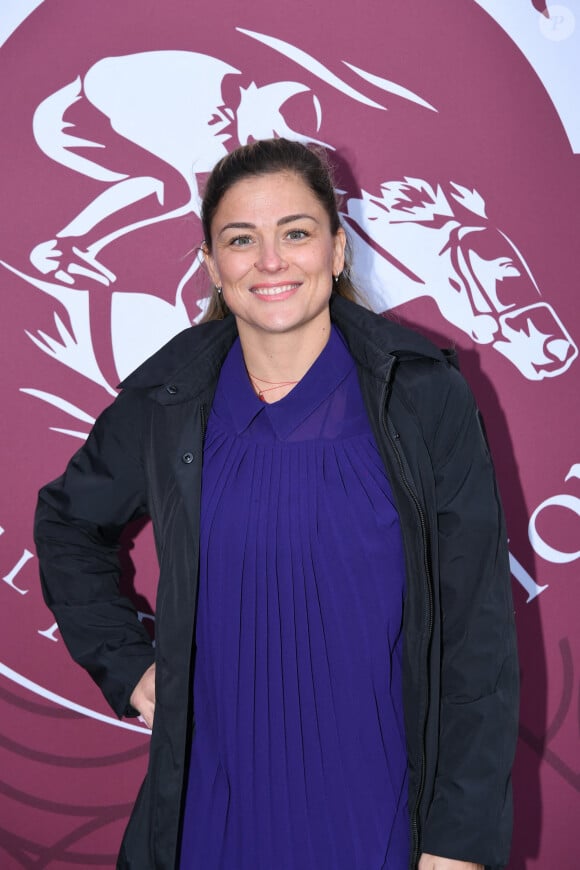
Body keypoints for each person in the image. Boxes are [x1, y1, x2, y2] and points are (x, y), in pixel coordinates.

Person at [35, 138, 519, 870]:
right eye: (241, 240)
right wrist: (128, 666)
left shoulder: (422, 398)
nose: (271, 260)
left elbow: (477, 637)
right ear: (211, 266)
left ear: (336, 250)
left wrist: (458, 841)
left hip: (379, 809)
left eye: (295, 232)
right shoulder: (167, 401)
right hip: (209, 806)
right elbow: (68, 521)